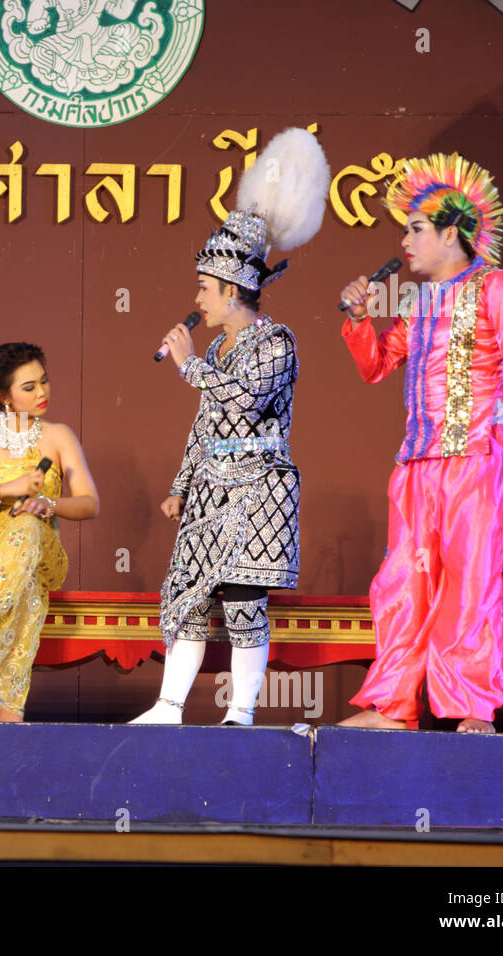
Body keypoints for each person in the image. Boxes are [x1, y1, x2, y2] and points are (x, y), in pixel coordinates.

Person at [337, 153, 503, 734]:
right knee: (404, 579)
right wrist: (359, 320)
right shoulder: (419, 302)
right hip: (417, 462)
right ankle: (391, 704)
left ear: (452, 234)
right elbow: (377, 365)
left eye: (415, 229)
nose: (405, 241)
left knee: (470, 578)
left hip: (479, 456)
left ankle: (471, 705)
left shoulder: (498, 287)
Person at [132, 128, 329, 726]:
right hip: (211, 488)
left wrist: (189, 364)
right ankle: (169, 706)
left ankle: (240, 712)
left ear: (232, 290)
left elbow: (245, 403)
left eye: (204, 288)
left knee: (244, 602)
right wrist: (181, 485)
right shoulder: (216, 349)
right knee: (186, 600)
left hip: (261, 488)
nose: (197, 297)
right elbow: (207, 423)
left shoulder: (276, 341)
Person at [0, 343, 99, 721]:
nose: (42, 392)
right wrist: (5, 490)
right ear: (3, 396)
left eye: (44, 381)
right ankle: (7, 729)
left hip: (42, 551)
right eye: (29, 387)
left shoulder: (59, 436)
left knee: (26, 525)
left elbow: (89, 503)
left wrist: (49, 504)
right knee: (23, 597)